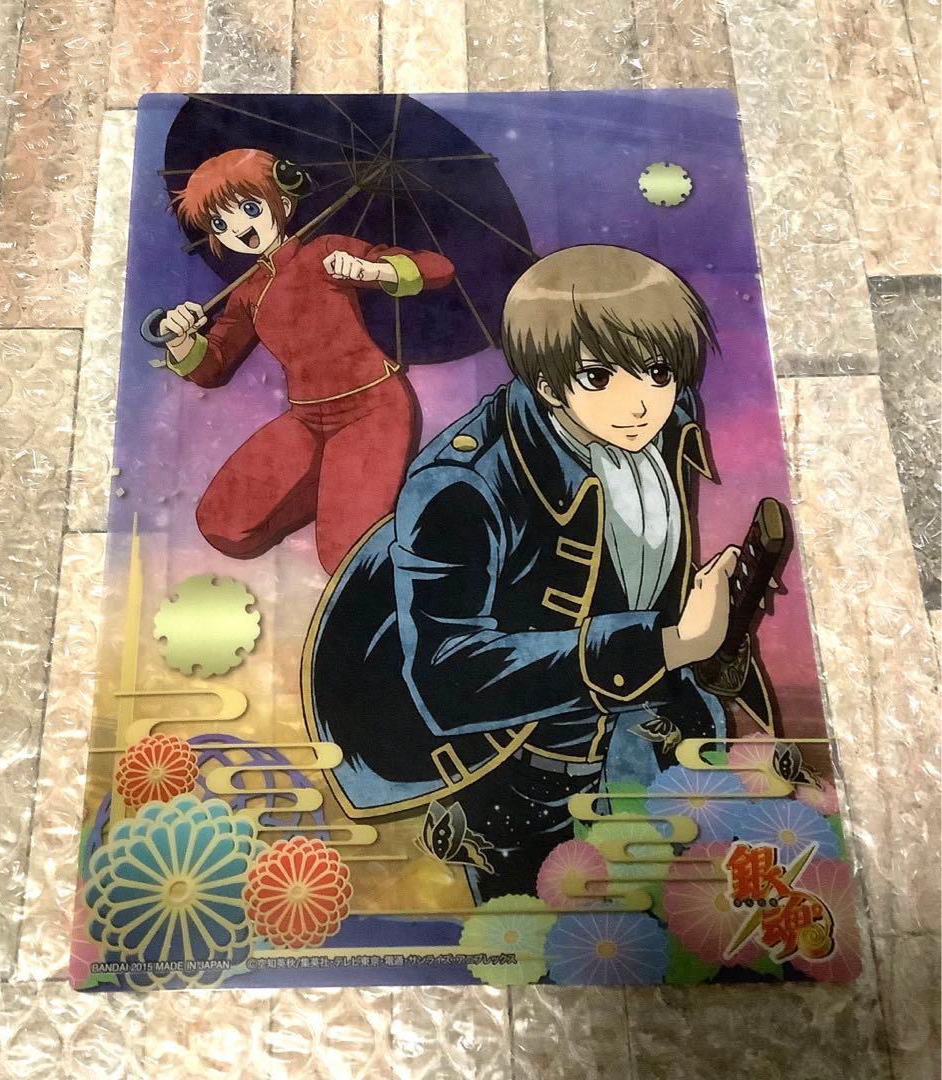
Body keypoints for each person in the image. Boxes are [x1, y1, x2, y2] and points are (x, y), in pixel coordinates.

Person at [303, 244, 774, 901]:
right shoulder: (461, 486)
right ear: (548, 384)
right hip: (522, 776)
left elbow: (626, 567)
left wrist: (703, 621)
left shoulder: (665, 419)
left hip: (649, 737)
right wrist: (668, 643)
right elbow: (448, 678)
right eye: (598, 377)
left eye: (657, 371)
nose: (641, 403)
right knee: (538, 936)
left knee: (684, 917)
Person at [159, 147, 455, 574]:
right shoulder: (246, 293)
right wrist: (182, 341)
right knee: (222, 523)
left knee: (345, 558)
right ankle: (336, 491)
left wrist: (373, 270)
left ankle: (367, 507)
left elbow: (438, 267)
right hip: (307, 419)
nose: (237, 228)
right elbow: (214, 365)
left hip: (373, 410)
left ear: (282, 203)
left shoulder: (326, 252)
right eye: (220, 223)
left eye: (249, 208)